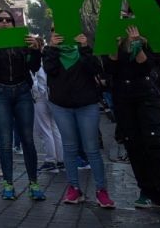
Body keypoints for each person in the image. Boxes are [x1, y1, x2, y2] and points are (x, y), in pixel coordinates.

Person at [105, 23, 160, 215]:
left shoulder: (148, 37)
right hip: (123, 97)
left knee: (154, 142)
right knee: (134, 144)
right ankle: (147, 191)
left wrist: (137, 45)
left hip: (145, 95)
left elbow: (148, 66)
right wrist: (114, 50)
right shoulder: (112, 39)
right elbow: (109, 70)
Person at [0, 10, 46, 201]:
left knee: (28, 139)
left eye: (8, 20)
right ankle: (8, 184)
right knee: (5, 140)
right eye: (0, 20)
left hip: (22, 92)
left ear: (13, 23)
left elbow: (35, 67)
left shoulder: (22, 40)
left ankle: (34, 183)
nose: (4, 22)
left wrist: (35, 50)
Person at [43, 27, 114, 208]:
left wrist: (84, 47)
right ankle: (74, 188)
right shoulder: (51, 51)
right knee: (70, 147)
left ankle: (101, 190)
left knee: (92, 149)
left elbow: (95, 69)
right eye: (56, 30)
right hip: (61, 106)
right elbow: (49, 70)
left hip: (87, 105)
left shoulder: (83, 50)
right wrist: (52, 48)